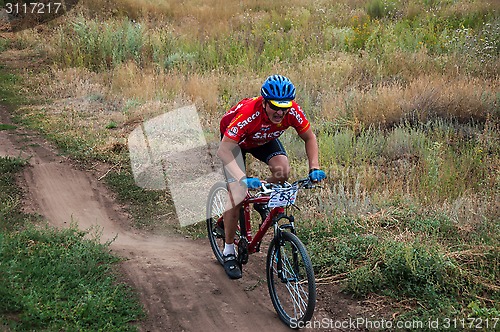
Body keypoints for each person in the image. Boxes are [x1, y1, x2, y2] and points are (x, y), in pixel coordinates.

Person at [217, 74, 326, 279]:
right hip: (234, 144)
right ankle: (229, 251)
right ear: (265, 102)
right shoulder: (249, 113)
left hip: (263, 140)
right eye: (275, 106)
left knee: (283, 171)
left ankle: (261, 195)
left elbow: (309, 137)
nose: (280, 112)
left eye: (284, 107)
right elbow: (223, 151)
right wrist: (242, 178)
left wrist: (314, 168)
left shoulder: (291, 111)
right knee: (238, 193)